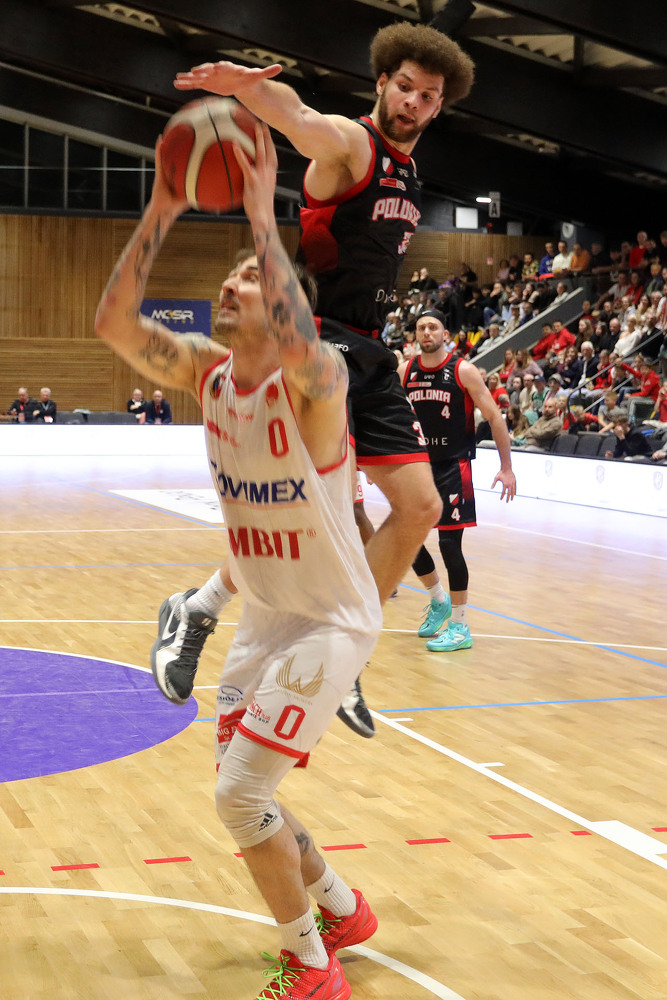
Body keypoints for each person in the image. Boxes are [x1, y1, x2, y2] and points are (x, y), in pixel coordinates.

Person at [95, 124, 382, 1000]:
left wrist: (265, 210)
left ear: (288, 301)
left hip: (331, 622)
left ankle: (310, 967)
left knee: (237, 798)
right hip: (266, 620)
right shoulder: (209, 374)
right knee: (242, 787)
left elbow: (300, 343)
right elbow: (111, 323)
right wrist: (163, 203)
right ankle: (341, 909)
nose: (230, 281)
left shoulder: (317, 383)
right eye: (232, 273)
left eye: (251, 275)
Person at [161, 21, 475, 735]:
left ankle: (341, 642)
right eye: (404, 87)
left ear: (438, 106)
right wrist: (247, 91)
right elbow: (301, 119)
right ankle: (198, 610)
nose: (414, 102)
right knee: (306, 518)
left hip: (369, 350)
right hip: (313, 346)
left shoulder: (409, 172)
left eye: (428, 96)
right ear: (382, 83)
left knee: (419, 508)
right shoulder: (353, 145)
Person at [398, 311, 516, 651]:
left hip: (453, 465)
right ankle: (438, 599)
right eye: (421, 327)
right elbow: (394, 418)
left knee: (450, 545)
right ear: (415, 335)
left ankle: (460, 627)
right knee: (405, 539)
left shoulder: (463, 370)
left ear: (445, 334)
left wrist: (506, 467)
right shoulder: (405, 371)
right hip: (418, 465)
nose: (427, 332)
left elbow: (494, 416)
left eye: (433, 327)